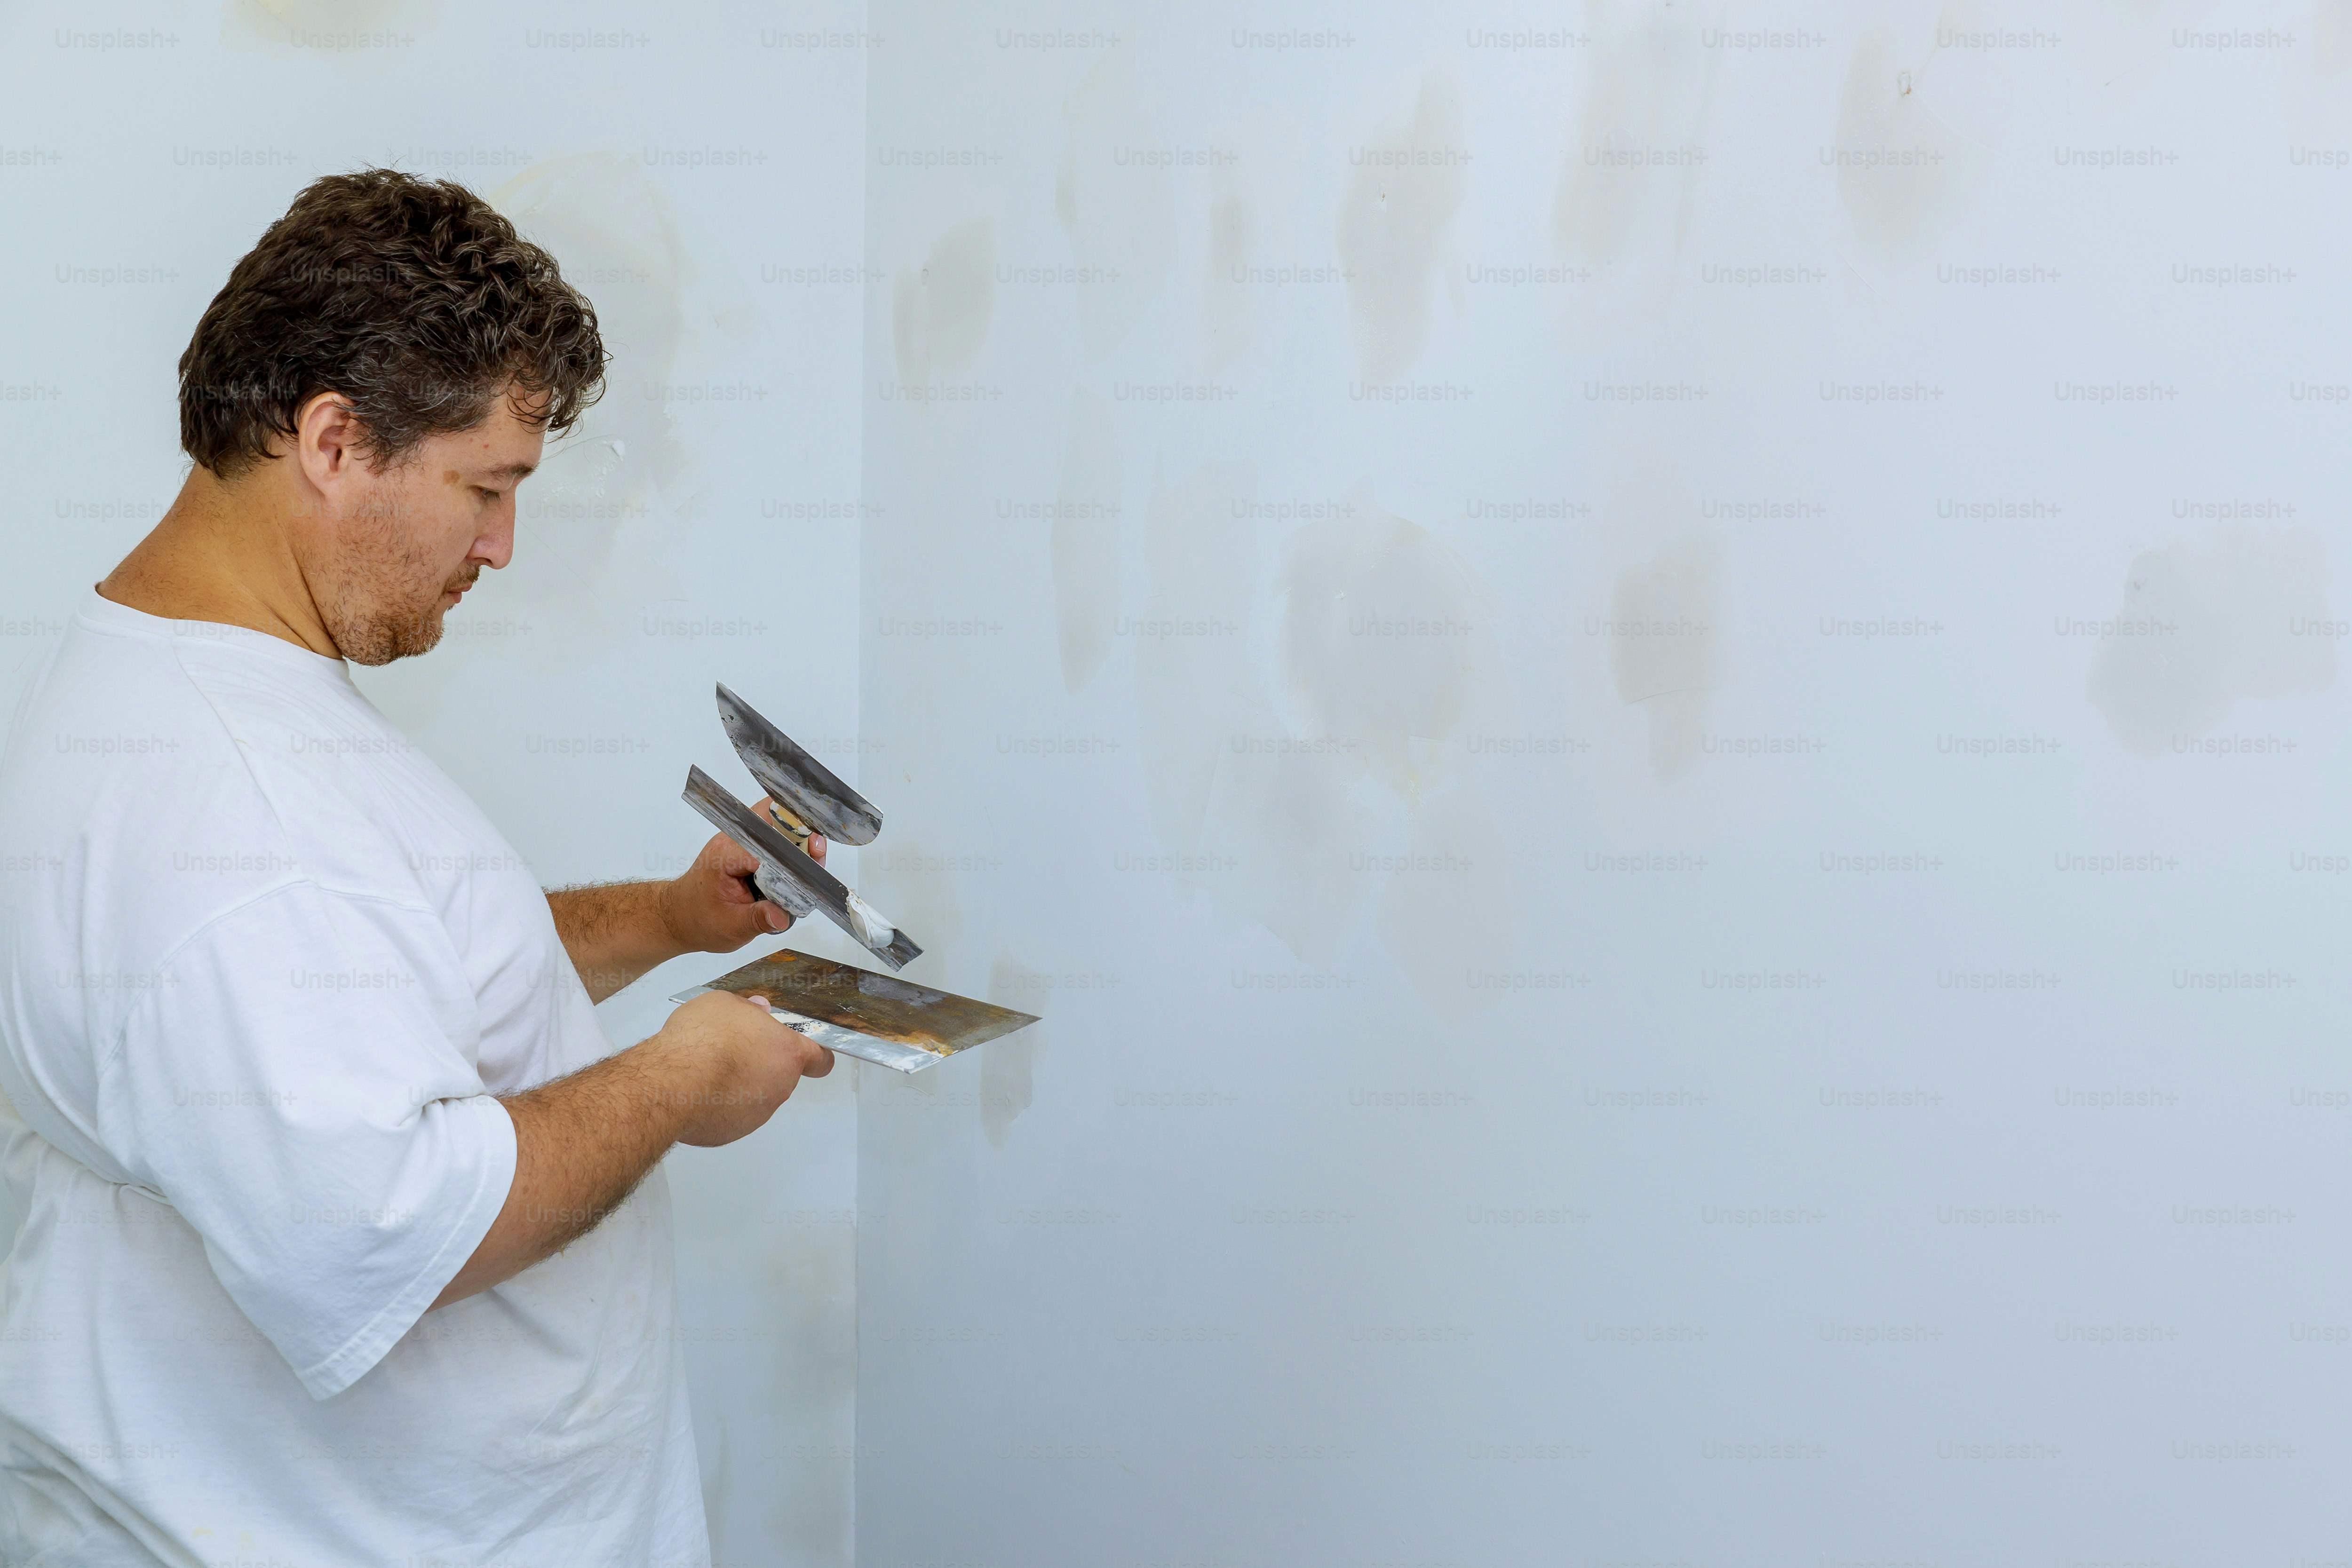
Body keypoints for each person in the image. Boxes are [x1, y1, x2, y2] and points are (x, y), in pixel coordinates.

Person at [0, 168, 829, 1566]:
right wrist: (684, 1077)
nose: (500, 547)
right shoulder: (236, 809)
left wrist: (672, 920)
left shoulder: (161, 677)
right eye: (484, 488)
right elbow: (379, 1230)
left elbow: (382, 971)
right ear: (334, 441)